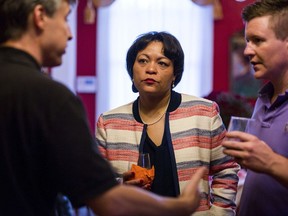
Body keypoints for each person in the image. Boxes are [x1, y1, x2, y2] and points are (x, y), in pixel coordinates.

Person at [0, 0, 207, 215]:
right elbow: (104, 199)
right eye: (66, 18)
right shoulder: (52, 99)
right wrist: (179, 206)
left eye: (162, 63)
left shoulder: (203, 111)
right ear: (40, 16)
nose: (70, 33)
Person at [96, 31, 240, 215]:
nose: (150, 69)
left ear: (174, 74)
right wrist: (122, 186)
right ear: (131, 69)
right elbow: (98, 185)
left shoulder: (204, 113)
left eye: (162, 63)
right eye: (142, 61)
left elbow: (226, 170)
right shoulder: (109, 123)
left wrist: (218, 213)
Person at [222, 0, 288, 215]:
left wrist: (270, 161)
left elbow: (266, 162)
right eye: (248, 41)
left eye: (258, 40)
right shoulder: (264, 98)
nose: (247, 51)